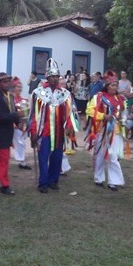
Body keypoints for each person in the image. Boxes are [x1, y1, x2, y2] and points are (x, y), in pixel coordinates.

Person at [28, 58, 79, 193]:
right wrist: (33, 131)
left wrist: (69, 126)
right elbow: (33, 114)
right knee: (43, 158)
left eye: (57, 76)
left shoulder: (64, 94)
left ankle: (53, 180)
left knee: (57, 158)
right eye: (52, 76)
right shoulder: (38, 93)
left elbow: (69, 114)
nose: (55, 79)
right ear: (47, 76)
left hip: (58, 133)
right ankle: (43, 183)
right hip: (43, 132)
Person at [86, 75, 126, 191]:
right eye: (113, 85)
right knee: (100, 155)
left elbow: (123, 113)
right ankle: (99, 178)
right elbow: (89, 110)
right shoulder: (99, 97)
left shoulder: (120, 99)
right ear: (107, 86)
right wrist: (103, 116)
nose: (115, 87)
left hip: (116, 131)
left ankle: (113, 181)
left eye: (116, 85)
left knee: (113, 156)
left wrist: (122, 120)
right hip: (102, 130)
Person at [0, 73, 23, 195]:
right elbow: (0, 117)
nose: (7, 84)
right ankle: (5, 185)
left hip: (6, 133)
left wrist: (18, 122)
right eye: (4, 82)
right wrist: (16, 116)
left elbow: (13, 111)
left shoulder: (9, 96)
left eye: (8, 81)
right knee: (3, 160)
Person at [10, 77, 31, 170]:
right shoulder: (10, 98)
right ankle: (22, 161)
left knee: (20, 142)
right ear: (13, 87)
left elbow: (26, 112)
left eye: (21, 86)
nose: (20, 88)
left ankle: (21, 161)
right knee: (18, 142)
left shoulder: (23, 100)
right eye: (18, 86)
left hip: (21, 125)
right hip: (12, 125)